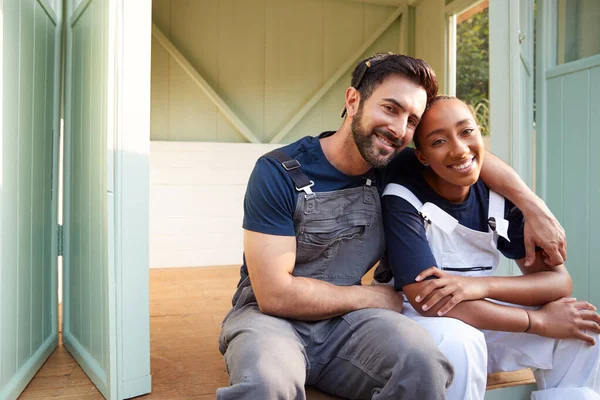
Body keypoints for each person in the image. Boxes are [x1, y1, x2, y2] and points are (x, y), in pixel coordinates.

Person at [217, 53, 568, 400]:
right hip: (271, 320)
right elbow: (274, 294)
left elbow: (472, 157)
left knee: (424, 362)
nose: (400, 129)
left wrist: (533, 205)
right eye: (390, 108)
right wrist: (369, 296)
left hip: (348, 323)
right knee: (266, 383)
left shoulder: (390, 162)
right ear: (353, 100)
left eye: (412, 120)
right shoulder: (278, 172)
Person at [376, 95, 600, 400]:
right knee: (461, 341)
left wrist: (476, 286)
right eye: (439, 141)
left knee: (583, 332)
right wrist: (537, 322)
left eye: (467, 131)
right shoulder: (403, 196)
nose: (459, 149)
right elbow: (426, 300)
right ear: (422, 156)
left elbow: (559, 282)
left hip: (482, 317)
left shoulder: (497, 197)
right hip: (420, 322)